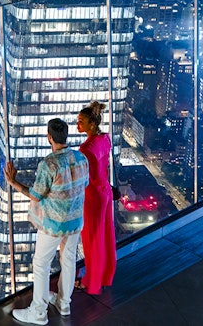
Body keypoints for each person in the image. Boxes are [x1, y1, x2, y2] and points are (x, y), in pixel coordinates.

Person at [4, 118, 89, 325]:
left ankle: (38, 312)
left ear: (49, 137)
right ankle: (64, 303)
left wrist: (13, 182)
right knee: (68, 260)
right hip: (75, 221)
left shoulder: (49, 164)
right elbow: (83, 184)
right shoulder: (81, 158)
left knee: (41, 264)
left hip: (53, 224)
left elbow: (36, 195)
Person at [76, 101, 117, 294]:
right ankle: (105, 275)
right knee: (105, 236)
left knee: (92, 239)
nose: (78, 125)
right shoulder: (105, 139)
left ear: (92, 124)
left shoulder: (85, 149)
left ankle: (90, 281)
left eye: (81, 121)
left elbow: (86, 178)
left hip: (92, 195)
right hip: (105, 191)